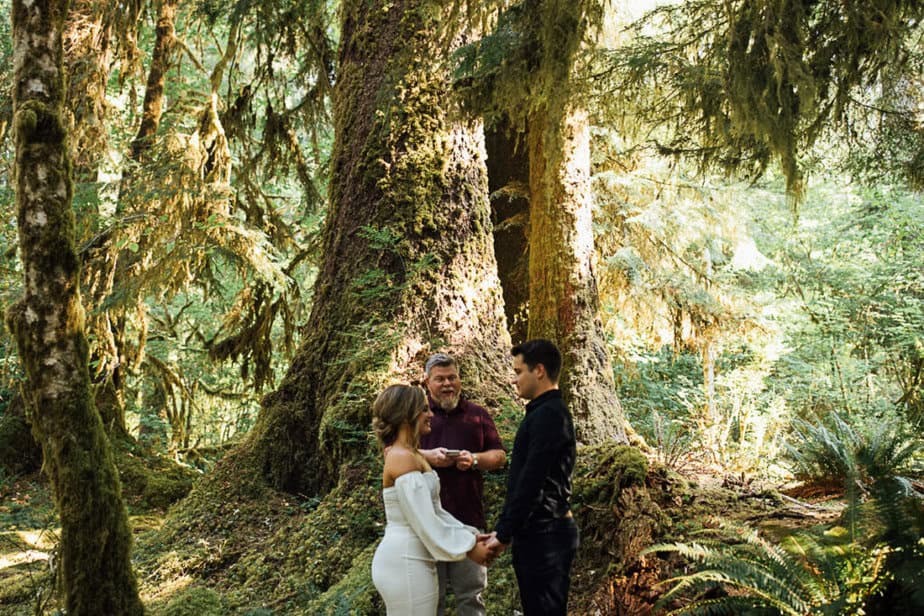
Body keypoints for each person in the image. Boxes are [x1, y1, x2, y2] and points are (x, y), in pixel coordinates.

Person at [371, 384, 493, 615]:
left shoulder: (412, 455)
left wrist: (471, 535)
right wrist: (469, 549)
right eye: (424, 409)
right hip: (406, 560)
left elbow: (436, 511)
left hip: (416, 558)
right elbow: (424, 521)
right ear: (407, 415)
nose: (431, 414)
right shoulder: (401, 458)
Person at [483, 339, 579, 616]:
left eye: (518, 372)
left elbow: (532, 483)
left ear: (539, 370)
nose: (514, 380)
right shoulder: (542, 413)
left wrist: (504, 533)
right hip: (539, 533)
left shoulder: (550, 416)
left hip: (546, 536)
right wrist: (505, 529)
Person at [417, 353, 507, 616]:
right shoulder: (418, 416)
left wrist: (475, 459)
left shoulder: (477, 414)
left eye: (452, 377)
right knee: (430, 598)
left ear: (460, 379)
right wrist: (430, 458)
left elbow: (499, 456)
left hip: (468, 520)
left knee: (471, 596)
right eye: (440, 379)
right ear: (427, 382)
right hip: (427, 522)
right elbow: (394, 452)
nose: (447, 384)